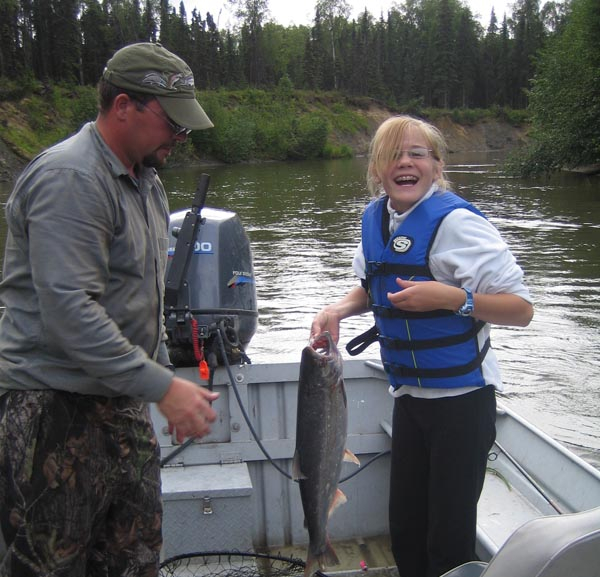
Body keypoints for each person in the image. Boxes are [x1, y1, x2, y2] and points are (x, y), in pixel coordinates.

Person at [0, 42, 219, 576]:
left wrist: (160, 377)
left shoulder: (146, 183)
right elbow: (70, 313)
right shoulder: (72, 178)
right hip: (52, 410)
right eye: (173, 123)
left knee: (133, 560)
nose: (180, 137)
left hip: (121, 404)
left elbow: (142, 299)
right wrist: (165, 389)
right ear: (124, 106)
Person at [311, 115, 533, 577]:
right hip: (409, 399)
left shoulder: (456, 224)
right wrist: (338, 309)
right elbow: (369, 286)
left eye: (418, 153)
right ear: (377, 169)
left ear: (436, 165)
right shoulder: (375, 219)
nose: (406, 162)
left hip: (463, 403)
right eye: (394, 154)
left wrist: (455, 298)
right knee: (407, 530)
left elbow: (521, 309)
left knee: (447, 540)